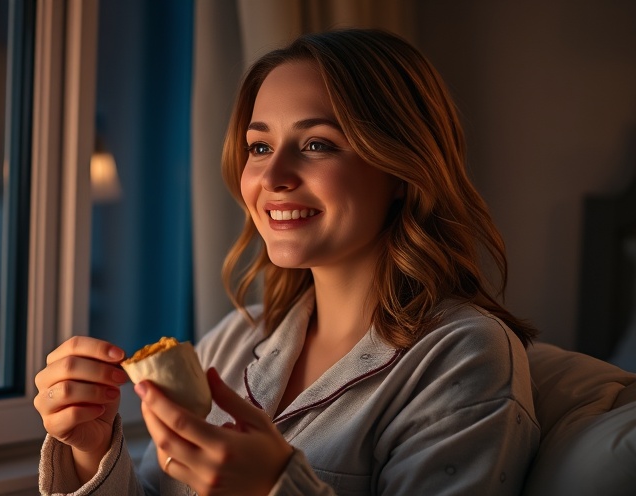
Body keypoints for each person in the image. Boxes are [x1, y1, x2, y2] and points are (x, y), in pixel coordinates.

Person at [34, 28, 540, 495]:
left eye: (317, 144)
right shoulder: (237, 338)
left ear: (402, 170)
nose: (272, 176)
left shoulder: (466, 356)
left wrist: (278, 486)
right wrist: (90, 449)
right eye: (260, 146)